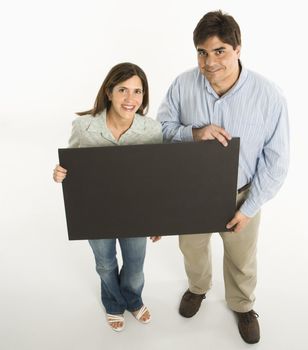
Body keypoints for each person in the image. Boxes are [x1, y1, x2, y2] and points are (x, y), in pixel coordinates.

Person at [157, 10, 289, 344]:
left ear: (238, 48)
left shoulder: (269, 96)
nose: (210, 62)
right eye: (202, 52)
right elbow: (160, 131)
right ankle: (198, 288)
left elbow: (276, 161)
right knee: (192, 250)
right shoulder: (182, 85)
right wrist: (194, 133)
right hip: (192, 193)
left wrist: (249, 207)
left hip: (243, 196)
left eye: (220, 52)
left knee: (242, 258)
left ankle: (242, 305)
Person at [53, 62, 163, 332]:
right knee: (105, 263)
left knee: (135, 265)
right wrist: (60, 173)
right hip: (96, 213)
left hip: (135, 214)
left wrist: (159, 219)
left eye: (137, 92)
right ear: (109, 91)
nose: (130, 99)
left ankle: (133, 299)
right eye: (123, 90)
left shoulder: (151, 130)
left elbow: (157, 179)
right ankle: (114, 303)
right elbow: (73, 167)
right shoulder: (84, 127)